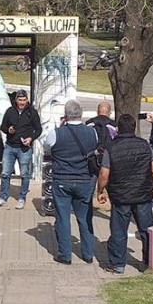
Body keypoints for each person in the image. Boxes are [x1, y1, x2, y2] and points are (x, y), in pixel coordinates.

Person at [96, 114, 153, 274]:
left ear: (118, 129)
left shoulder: (111, 147)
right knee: (146, 230)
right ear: (134, 128)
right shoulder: (145, 145)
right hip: (143, 195)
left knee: (119, 231)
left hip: (120, 196)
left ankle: (118, 264)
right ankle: (148, 262)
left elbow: (104, 174)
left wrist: (100, 191)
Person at [44, 100, 98, 265]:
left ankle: (65, 254)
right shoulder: (92, 132)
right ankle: (88, 254)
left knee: (63, 218)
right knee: (84, 217)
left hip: (62, 179)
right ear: (80, 114)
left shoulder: (57, 133)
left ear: (65, 116)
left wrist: (61, 127)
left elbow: (47, 147)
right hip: (84, 179)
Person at [0, 89, 42, 209]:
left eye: (24, 100)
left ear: (27, 100)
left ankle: (22, 198)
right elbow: (2, 127)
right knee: (5, 173)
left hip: (24, 148)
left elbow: (39, 129)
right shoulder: (10, 111)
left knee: (25, 174)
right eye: (20, 100)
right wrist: (8, 129)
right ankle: (3, 197)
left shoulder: (32, 112)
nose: (22, 102)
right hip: (10, 146)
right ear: (16, 100)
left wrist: (31, 138)